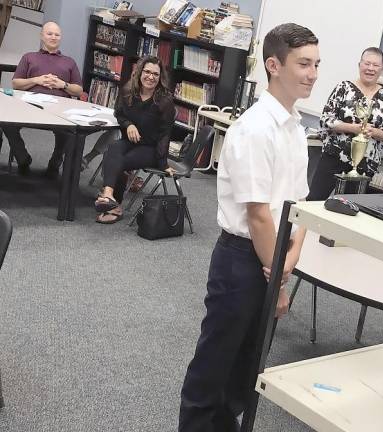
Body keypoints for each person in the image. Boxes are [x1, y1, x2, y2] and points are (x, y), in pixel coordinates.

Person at [178, 23, 319, 432]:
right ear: (274, 66)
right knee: (215, 366)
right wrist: (279, 274)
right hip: (243, 261)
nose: (312, 74)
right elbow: (258, 215)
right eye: (303, 64)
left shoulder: (295, 128)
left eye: (316, 64)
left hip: (274, 256)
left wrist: (290, 258)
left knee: (247, 367)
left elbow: (301, 203)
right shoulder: (256, 128)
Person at [307, 47, 383, 200]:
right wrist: (354, 128)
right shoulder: (344, 88)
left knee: (349, 209)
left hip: (365, 164)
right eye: (367, 63)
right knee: (314, 201)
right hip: (334, 156)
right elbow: (327, 119)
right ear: (359, 65)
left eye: (375, 65)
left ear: (382, 69)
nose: (370, 68)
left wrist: (372, 132)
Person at [93, 56, 175, 224]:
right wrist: (129, 125)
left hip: (151, 148)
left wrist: (163, 164)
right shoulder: (129, 91)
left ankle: (115, 206)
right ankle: (108, 195)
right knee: (113, 148)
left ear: (160, 78)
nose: (150, 77)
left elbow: (165, 134)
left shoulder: (165, 101)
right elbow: (119, 113)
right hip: (131, 141)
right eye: (147, 72)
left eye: (155, 74)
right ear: (139, 73)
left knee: (121, 161)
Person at [6, 21, 83, 176]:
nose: (53, 37)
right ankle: (22, 158)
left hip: (58, 109)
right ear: (42, 36)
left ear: (60, 38)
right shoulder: (29, 57)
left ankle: (55, 162)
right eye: (49, 33)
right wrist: (36, 80)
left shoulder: (69, 62)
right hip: (29, 105)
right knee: (7, 124)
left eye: (57, 34)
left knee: (68, 131)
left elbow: (78, 90)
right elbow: (15, 84)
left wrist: (63, 84)